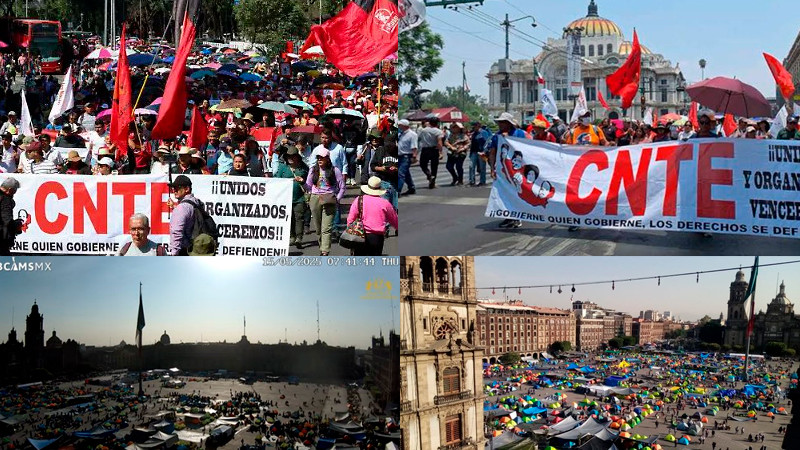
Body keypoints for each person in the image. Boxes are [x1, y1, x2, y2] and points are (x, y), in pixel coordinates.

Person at [488, 112, 527, 229]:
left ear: (509, 124)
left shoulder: (519, 134)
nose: (500, 125)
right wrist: (492, 168)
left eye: (502, 122)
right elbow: (493, 152)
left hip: (516, 168)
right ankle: (508, 216)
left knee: (517, 192)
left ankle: (517, 217)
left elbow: (525, 148)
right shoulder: (497, 136)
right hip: (502, 169)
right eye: (499, 122)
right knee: (504, 193)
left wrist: (508, 139)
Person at [304, 148, 345, 256]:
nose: (320, 160)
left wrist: (338, 198)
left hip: (329, 198)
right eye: (318, 158)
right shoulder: (313, 169)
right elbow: (308, 186)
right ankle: (322, 245)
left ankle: (325, 251)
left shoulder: (335, 170)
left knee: (326, 228)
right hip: (315, 198)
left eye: (322, 158)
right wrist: (301, 182)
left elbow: (342, 187)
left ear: (327, 159)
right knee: (318, 228)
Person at [347, 176, 398, 256]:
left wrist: (350, 230)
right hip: (377, 237)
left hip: (360, 234)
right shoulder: (384, 203)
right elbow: (394, 219)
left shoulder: (359, 200)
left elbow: (351, 218)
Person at [275, 147, 309, 249]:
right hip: (286, 198)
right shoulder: (282, 167)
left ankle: (299, 238)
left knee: (299, 217)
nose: (290, 158)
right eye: (288, 156)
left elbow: (310, 182)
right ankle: (292, 236)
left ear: (297, 157)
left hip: (300, 197)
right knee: (289, 218)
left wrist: (302, 180)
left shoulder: (303, 168)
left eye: (292, 156)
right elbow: (277, 180)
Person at [167, 175, 198, 256]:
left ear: (187, 189)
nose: (174, 190)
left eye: (177, 188)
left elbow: (176, 233)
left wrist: (173, 254)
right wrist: (174, 207)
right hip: (195, 249)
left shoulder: (182, 208)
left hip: (184, 251)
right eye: (173, 188)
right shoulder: (196, 202)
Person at [417, 117, 444, 189]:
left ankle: (428, 174)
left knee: (423, 165)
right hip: (434, 150)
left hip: (425, 149)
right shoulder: (438, 131)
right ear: (437, 123)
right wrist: (441, 152)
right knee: (434, 167)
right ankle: (432, 181)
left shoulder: (423, 130)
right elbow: (439, 142)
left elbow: (419, 139)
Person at [0, 177, 22, 256]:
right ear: (10, 189)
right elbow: (7, 220)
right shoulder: (5, 199)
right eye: (15, 190)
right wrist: (17, 225)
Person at [397, 119, 417, 195]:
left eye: (400, 125)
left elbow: (414, 147)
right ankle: (411, 187)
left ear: (405, 126)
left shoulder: (412, 134)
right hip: (399, 155)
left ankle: (397, 191)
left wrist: (414, 156)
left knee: (400, 173)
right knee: (405, 173)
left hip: (406, 156)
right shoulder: (400, 134)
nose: (399, 126)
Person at [468, 121, 489, 186]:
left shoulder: (484, 132)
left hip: (481, 152)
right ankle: (472, 181)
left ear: (478, 126)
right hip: (474, 152)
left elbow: (487, 142)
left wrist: (485, 152)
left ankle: (482, 181)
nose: (473, 127)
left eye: (474, 126)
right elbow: (472, 144)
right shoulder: (474, 133)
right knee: (471, 166)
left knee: (482, 167)